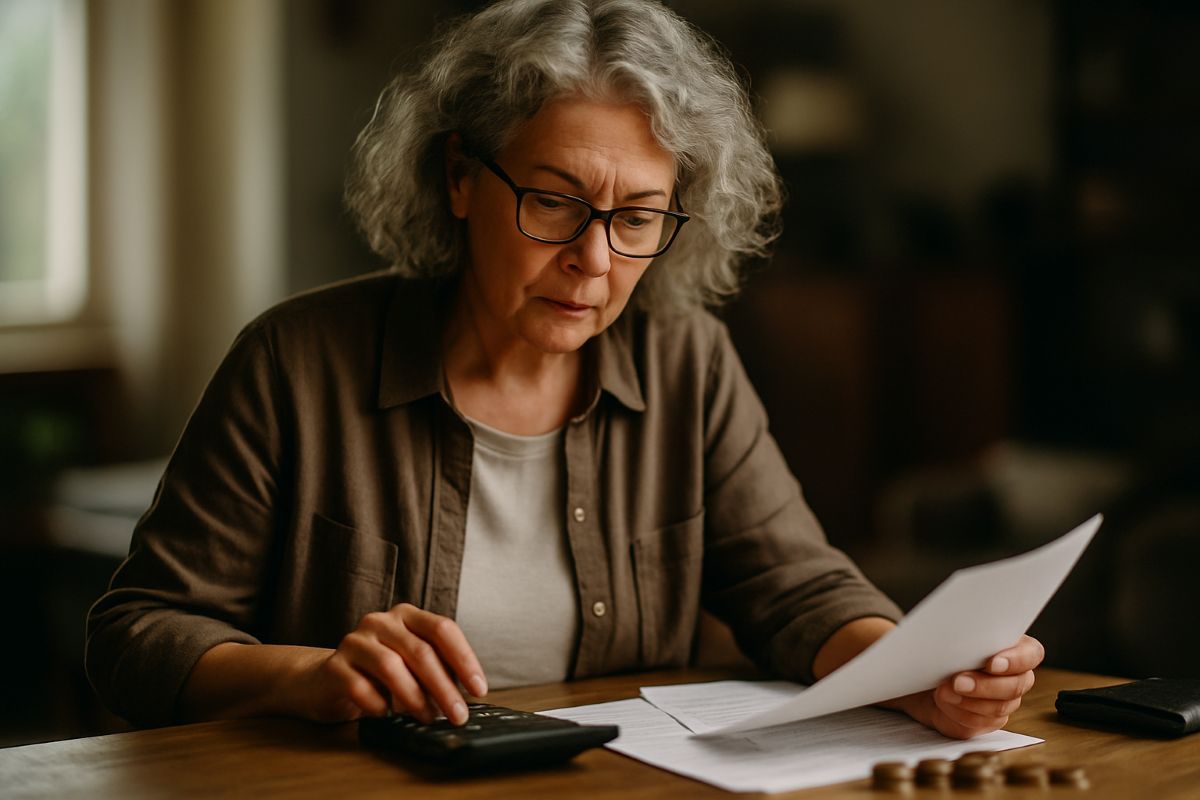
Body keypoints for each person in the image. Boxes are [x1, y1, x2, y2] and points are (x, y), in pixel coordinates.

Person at [86, 0, 1042, 739]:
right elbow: (137, 634)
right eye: (553, 202)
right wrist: (302, 676)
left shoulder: (687, 362)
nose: (594, 261)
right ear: (459, 176)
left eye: (637, 219)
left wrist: (915, 673)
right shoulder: (296, 362)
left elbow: (798, 590)